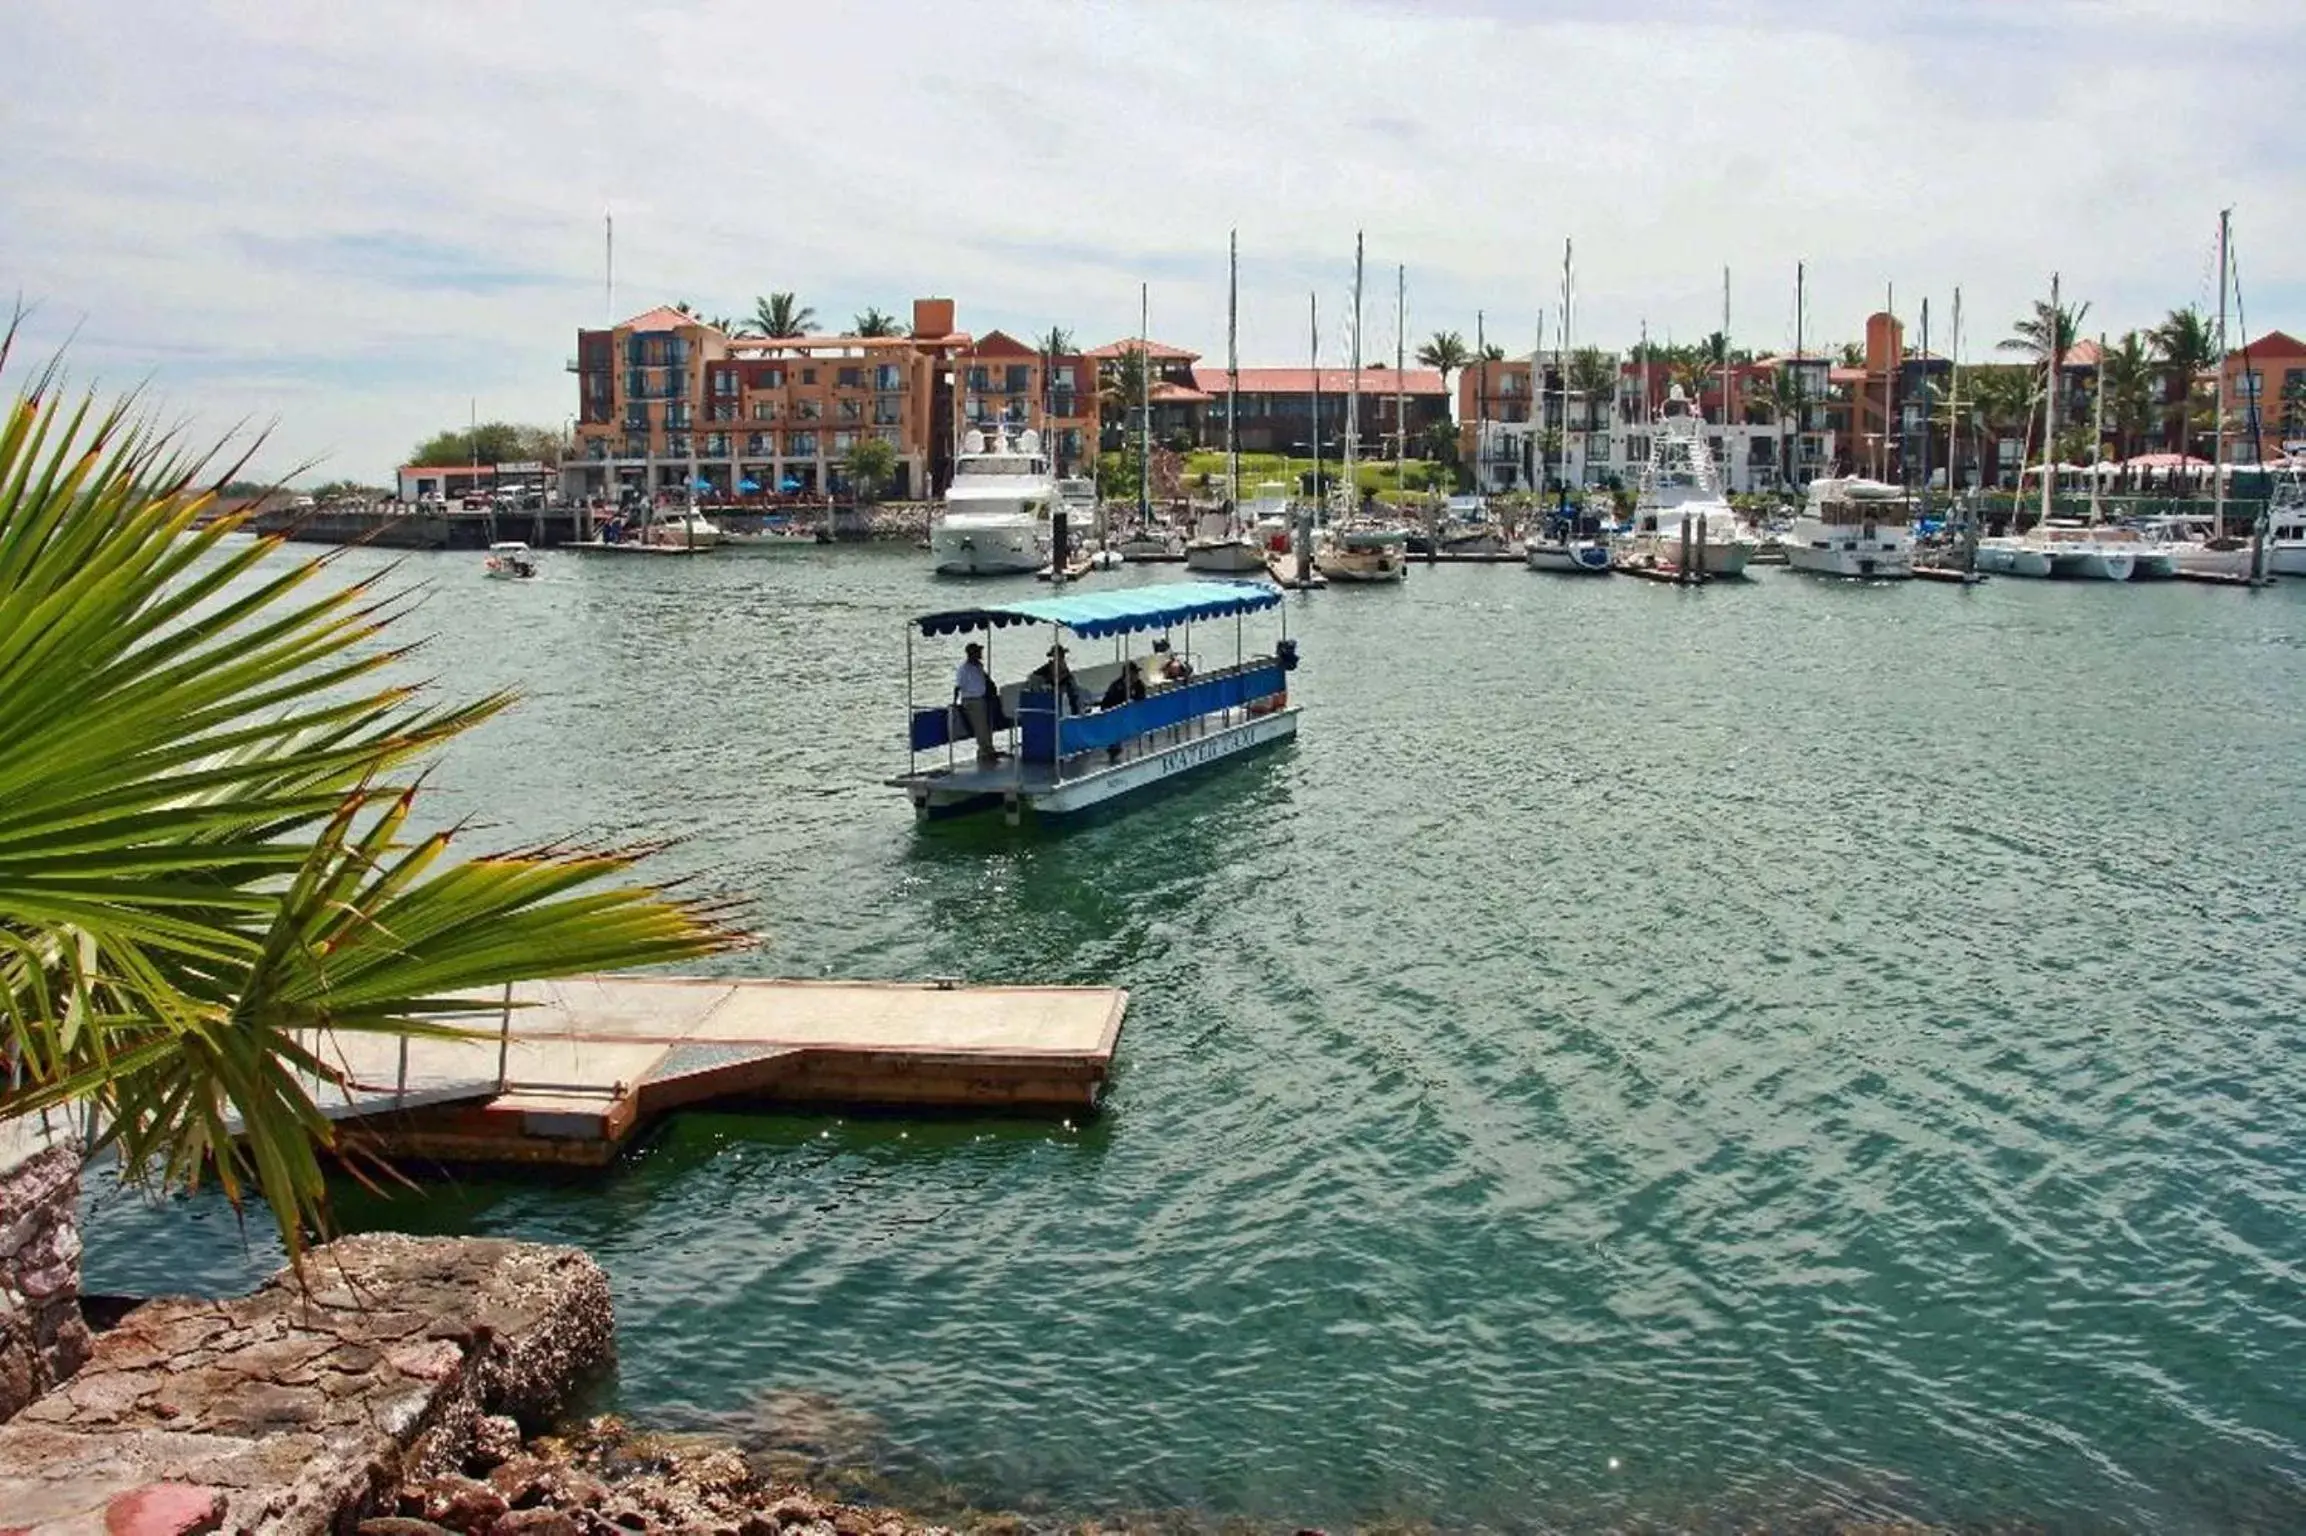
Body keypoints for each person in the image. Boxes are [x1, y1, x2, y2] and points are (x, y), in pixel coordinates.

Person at [953, 642, 998, 764]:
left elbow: (986, 680)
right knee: (980, 727)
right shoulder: (964, 669)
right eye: (978, 652)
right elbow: (958, 686)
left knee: (985, 725)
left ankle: (988, 749)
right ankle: (985, 751)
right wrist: (955, 702)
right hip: (972, 700)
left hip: (982, 699)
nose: (980, 654)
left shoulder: (978, 667)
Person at [1026, 643, 1087, 715]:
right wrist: (1045, 685)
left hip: (1062, 689)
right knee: (1072, 690)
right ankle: (1077, 710)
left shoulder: (1062, 665)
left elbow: (1067, 678)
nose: (1062, 657)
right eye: (1060, 655)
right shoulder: (1049, 667)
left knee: (1074, 690)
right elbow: (1033, 677)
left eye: (1062, 655)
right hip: (1055, 690)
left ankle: (1078, 710)